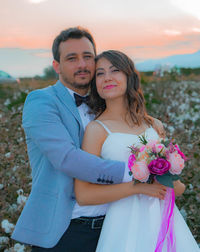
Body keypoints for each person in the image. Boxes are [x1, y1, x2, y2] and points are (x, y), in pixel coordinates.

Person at [11, 27, 133, 252]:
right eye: (72, 58)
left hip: (115, 227)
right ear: (56, 66)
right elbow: (66, 159)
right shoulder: (41, 101)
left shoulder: (108, 101)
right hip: (65, 231)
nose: (82, 65)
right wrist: (134, 173)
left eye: (88, 57)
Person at [74, 50, 200, 252]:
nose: (107, 78)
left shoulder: (154, 125)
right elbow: (84, 195)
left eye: (115, 70)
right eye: (100, 73)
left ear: (128, 76)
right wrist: (137, 187)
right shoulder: (96, 130)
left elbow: (177, 189)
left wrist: (169, 171)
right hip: (124, 225)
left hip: (163, 221)